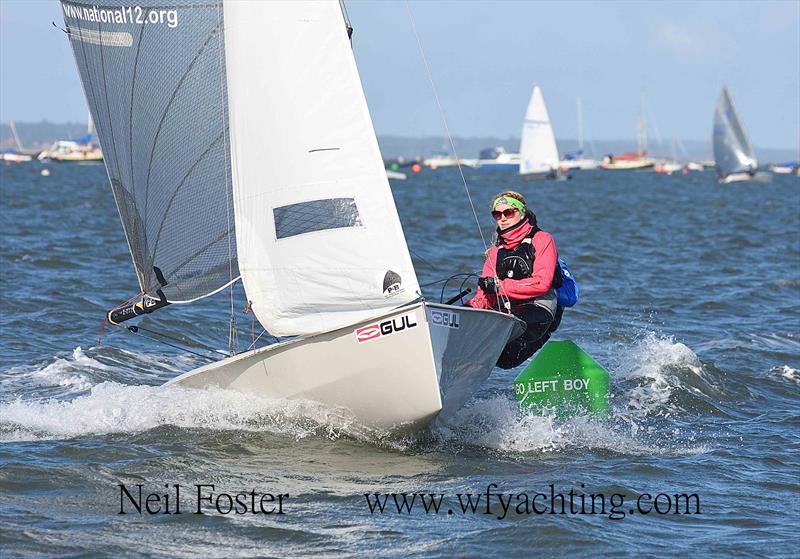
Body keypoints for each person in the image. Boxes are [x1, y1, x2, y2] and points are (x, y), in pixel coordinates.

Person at [465, 191, 563, 369]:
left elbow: (542, 283)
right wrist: (465, 312)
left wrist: (500, 286)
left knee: (490, 331)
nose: (502, 218)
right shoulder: (495, 252)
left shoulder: (542, 239)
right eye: (497, 214)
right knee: (500, 359)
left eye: (508, 213)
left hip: (540, 310)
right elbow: (485, 297)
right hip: (508, 314)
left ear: (522, 213)